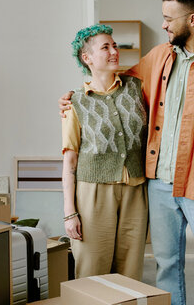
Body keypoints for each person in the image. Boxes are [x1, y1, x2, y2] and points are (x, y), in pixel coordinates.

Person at [59, 0, 194, 305]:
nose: (163, 24)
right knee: (167, 265)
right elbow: (114, 87)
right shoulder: (160, 56)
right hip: (159, 184)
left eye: (168, 18)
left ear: (192, 19)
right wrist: (72, 99)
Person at [61, 24, 148, 281]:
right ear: (86, 58)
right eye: (105, 47)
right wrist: (69, 212)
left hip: (135, 189)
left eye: (115, 45)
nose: (114, 51)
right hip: (93, 194)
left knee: (131, 273)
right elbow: (70, 161)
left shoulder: (136, 88)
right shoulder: (75, 101)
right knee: (92, 271)